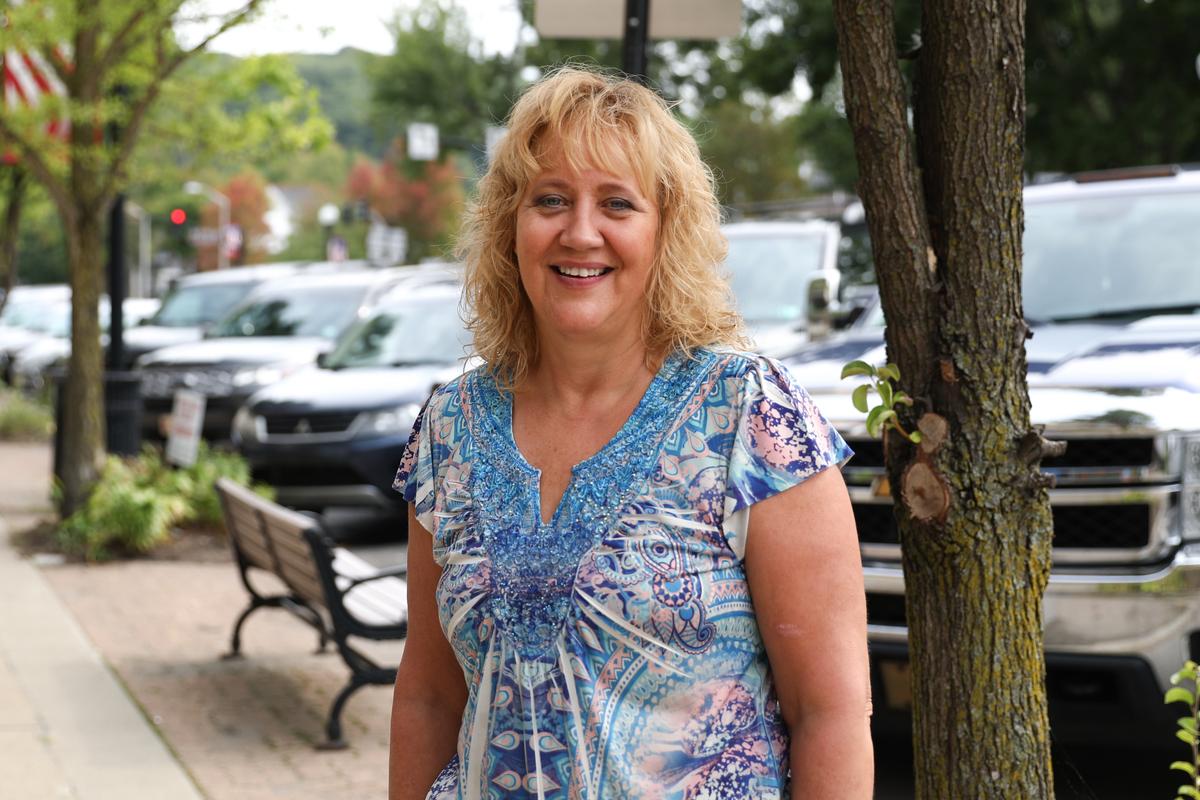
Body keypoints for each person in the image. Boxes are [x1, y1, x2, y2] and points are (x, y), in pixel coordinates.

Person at [389, 66, 872, 800]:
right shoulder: (450, 428)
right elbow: (427, 695)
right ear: (508, 226)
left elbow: (830, 712)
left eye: (617, 203)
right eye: (550, 199)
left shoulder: (750, 417)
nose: (580, 232)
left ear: (665, 229)